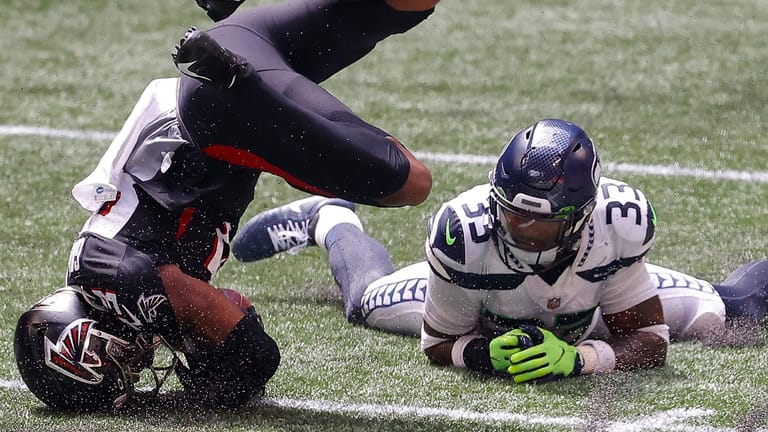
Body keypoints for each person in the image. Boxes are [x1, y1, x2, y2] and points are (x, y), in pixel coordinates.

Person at [13, 0, 440, 412]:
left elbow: (251, 352)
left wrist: (214, 381)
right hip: (229, 59)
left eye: (120, 367)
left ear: (81, 347)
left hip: (228, 111)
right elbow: (237, 303)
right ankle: (240, 78)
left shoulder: (113, 275)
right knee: (409, 2)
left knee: (406, 182)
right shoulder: (105, 269)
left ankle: (243, 84)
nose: (137, 367)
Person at [232, 118, 768, 383]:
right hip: (486, 306)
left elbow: (649, 341)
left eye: (539, 221)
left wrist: (580, 360)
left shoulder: (617, 225)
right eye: (512, 210)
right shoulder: (465, 237)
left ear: (581, 215)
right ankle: (330, 218)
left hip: (593, 308)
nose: (519, 228)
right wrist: (484, 353)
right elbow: (438, 341)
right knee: (365, 300)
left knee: (729, 311)